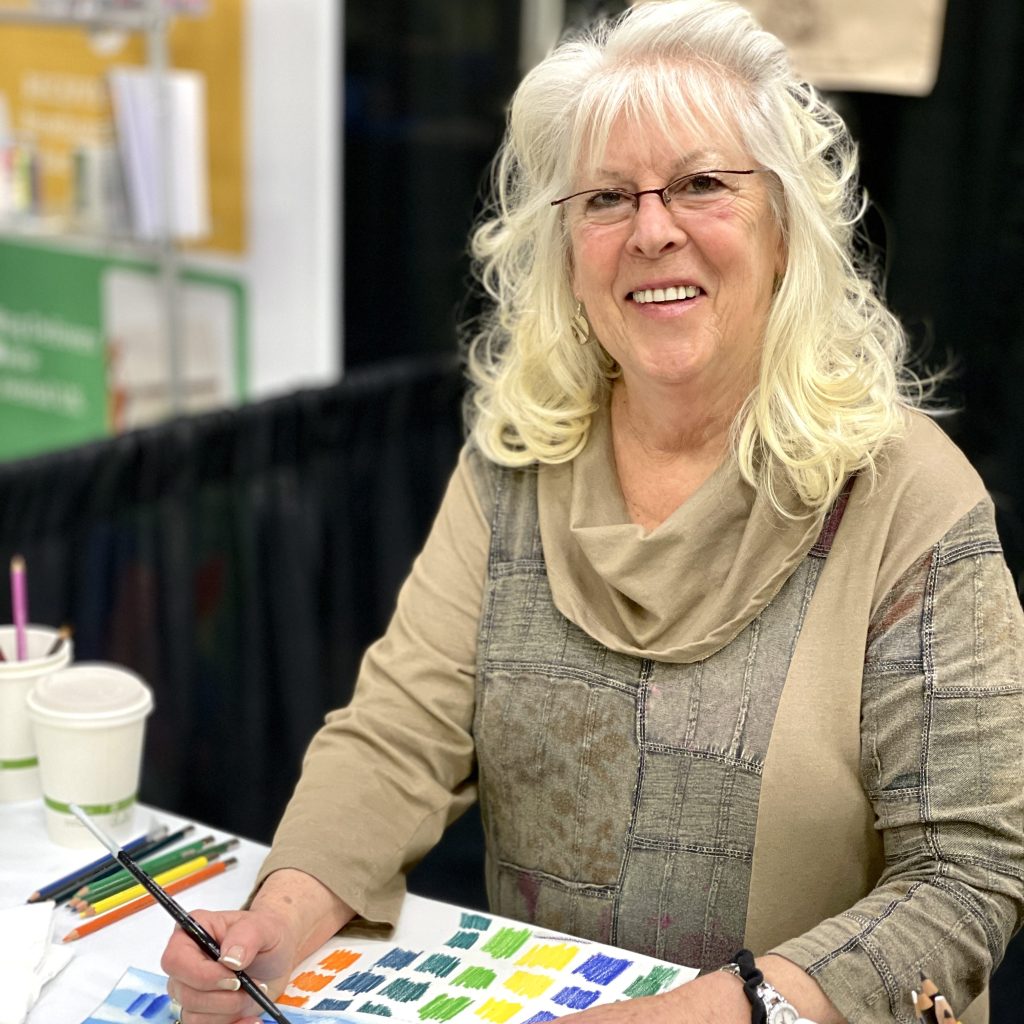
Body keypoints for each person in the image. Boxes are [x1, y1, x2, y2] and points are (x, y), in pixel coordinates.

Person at [161, 2, 1024, 1022]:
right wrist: (281, 912)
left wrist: (708, 1010)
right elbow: (398, 733)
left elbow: (963, 881)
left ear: (785, 228)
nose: (653, 229)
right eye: (607, 198)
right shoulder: (518, 460)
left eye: (701, 183)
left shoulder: (908, 496)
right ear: (566, 248)